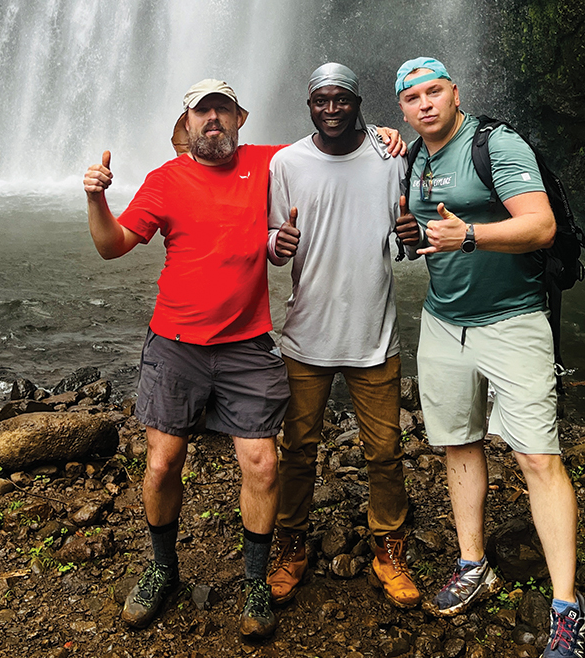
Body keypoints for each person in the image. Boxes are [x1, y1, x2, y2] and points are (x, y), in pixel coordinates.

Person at [393, 57, 585, 658]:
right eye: (411, 98)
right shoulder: (413, 159)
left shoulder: (494, 144)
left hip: (514, 321)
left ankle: (565, 606)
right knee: (459, 441)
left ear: (455, 93)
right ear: (401, 109)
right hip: (444, 322)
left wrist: (471, 235)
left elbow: (541, 225)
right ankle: (472, 561)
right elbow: (433, 230)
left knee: (536, 455)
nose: (425, 104)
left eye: (434, 91)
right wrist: (415, 234)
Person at [83, 79, 290, 640]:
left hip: (247, 345)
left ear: (240, 119)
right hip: (175, 344)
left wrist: (383, 137)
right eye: (204, 112)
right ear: (188, 124)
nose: (214, 120)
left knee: (263, 464)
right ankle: (162, 568)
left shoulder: (269, 162)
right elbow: (112, 245)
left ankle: (252, 582)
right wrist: (96, 197)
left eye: (224, 109)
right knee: (160, 463)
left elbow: (329, 149)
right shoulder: (165, 180)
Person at [265, 62, 420, 610]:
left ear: (358, 103)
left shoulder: (389, 157)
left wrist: (413, 235)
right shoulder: (286, 162)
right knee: (297, 450)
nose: (331, 109)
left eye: (342, 100)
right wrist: (272, 244)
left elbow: (409, 231)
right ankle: (290, 547)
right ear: (309, 105)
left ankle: (389, 550)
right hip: (305, 332)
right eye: (320, 100)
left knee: (385, 451)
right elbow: (268, 229)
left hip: (372, 333)